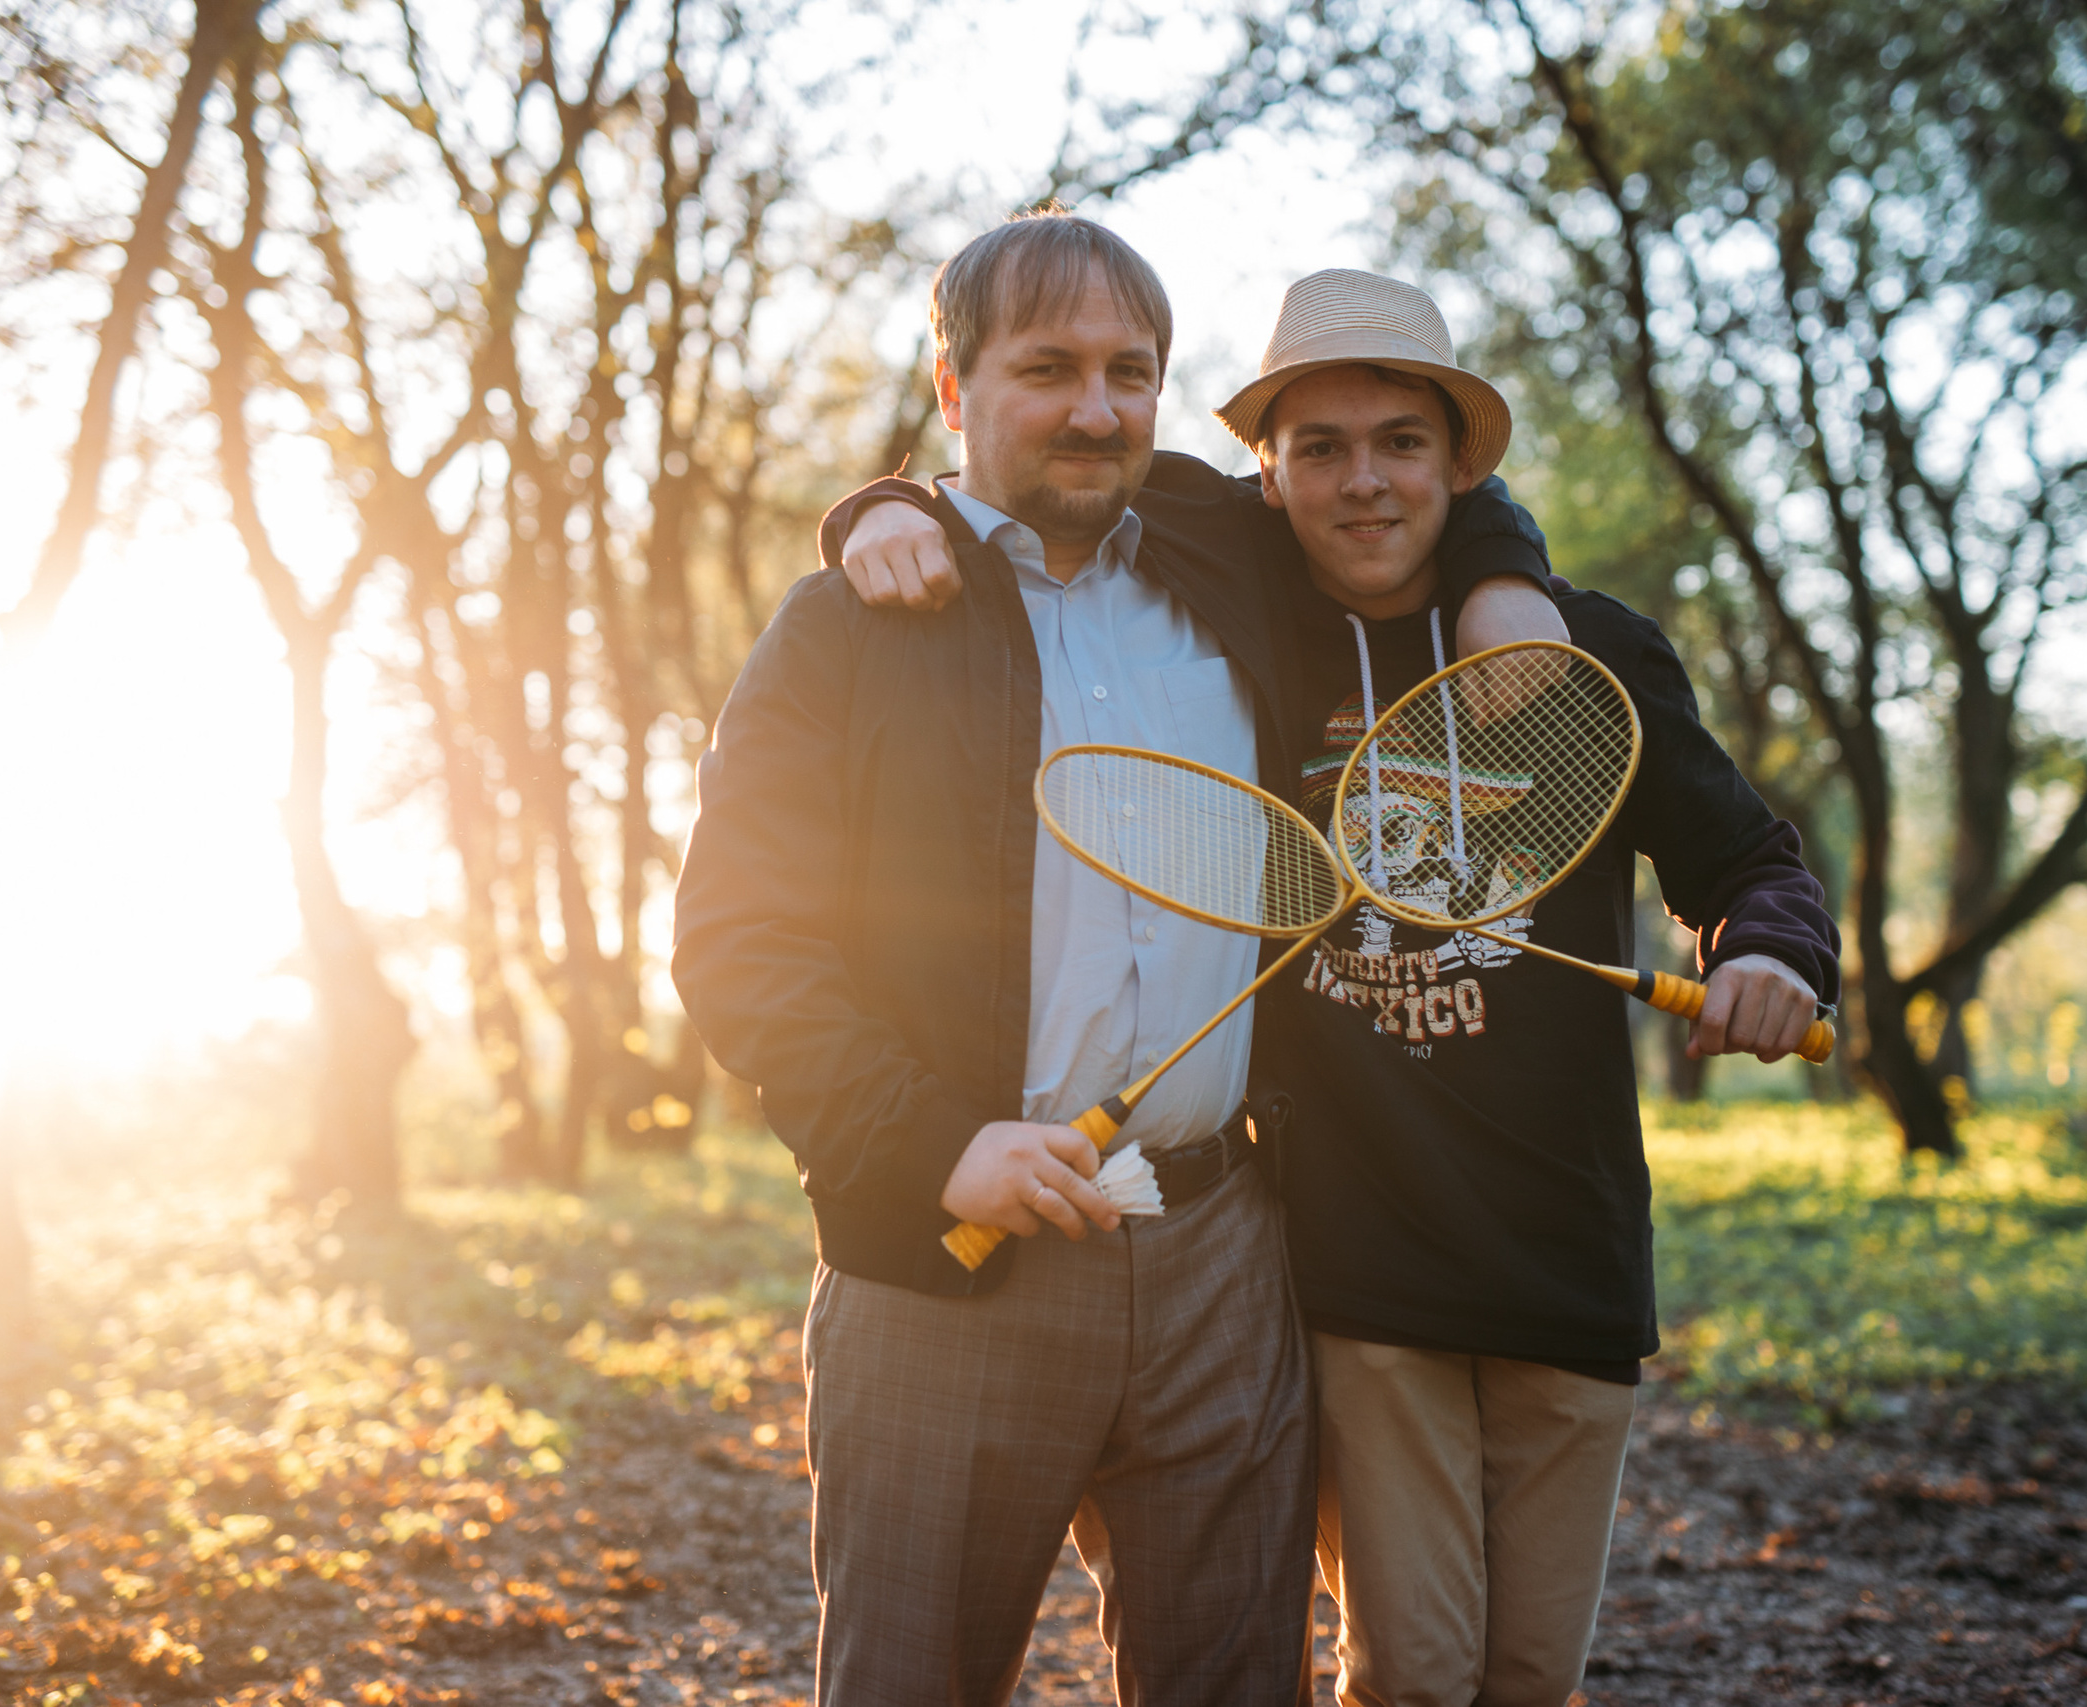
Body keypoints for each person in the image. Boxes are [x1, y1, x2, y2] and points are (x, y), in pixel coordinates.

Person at [831, 268, 1843, 1706]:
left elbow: (1751, 862)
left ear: (1464, 462)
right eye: (1318, 449)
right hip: (1358, 1269)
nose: (1362, 484)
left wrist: (1771, 954)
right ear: (1264, 474)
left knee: (1526, 1680)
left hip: (1570, 1261)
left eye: (1404, 445)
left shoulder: (1583, 649)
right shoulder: (1244, 615)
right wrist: (878, 510)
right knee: (1413, 1677)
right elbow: (1026, 477)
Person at [674, 218, 1565, 1706]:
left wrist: (1506, 574)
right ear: (953, 391)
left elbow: (1401, 487)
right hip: (948, 1259)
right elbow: (737, 944)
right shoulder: (848, 627)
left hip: (1225, 1252)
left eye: (1129, 373)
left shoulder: (1235, 552)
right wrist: (932, 1148)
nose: (1096, 408)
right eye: (1048, 370)